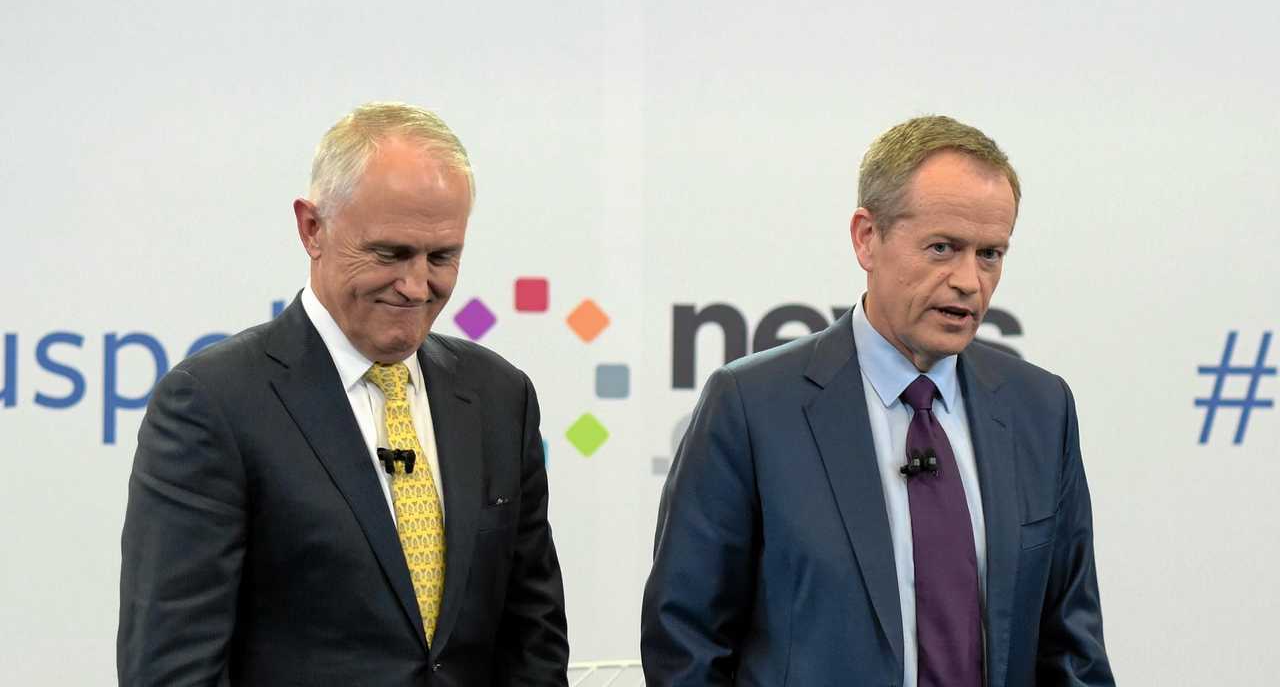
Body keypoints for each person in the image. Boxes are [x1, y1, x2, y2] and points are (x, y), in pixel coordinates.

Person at [641, 116, 1114, 686]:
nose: (969, 280)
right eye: (943, 248)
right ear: (867, 237)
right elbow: (686, 643)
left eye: (990, 254)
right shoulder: (751, 407)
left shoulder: (1041, 409)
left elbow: (1072, 647)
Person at [118, 102, 569, 686]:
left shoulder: (500, 396)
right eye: (389, 253)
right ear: (312, 229)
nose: (415, 286)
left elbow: (532, 637)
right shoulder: (213, 405)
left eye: (442, 257)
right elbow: (173, 666)